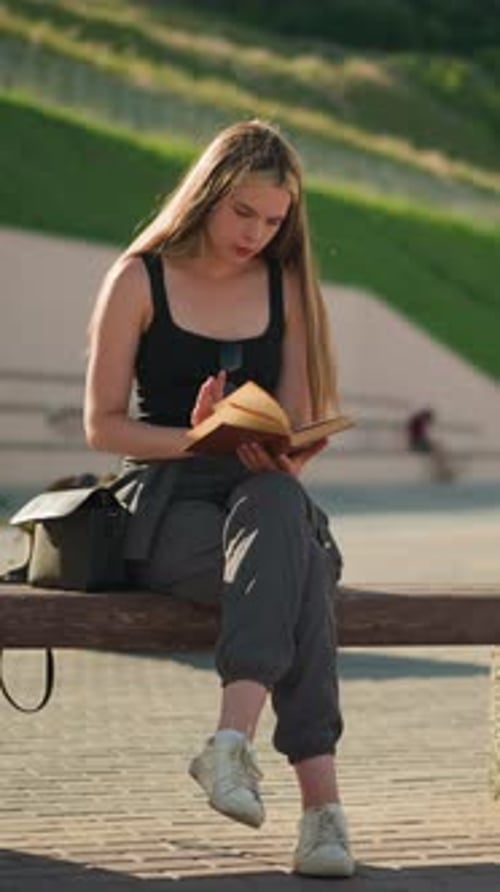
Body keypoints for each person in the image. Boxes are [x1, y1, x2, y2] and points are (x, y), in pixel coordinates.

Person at [84, 119, 355, 878]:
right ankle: (322, 815)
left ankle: (229, 744)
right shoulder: (141, 277)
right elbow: (101, 425)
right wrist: (197, 437)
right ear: (208, 193)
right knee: (297, 573)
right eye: (244, 213)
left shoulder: (286, 283)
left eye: (274, 221)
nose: (257, 234)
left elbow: (295, 420)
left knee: (276, 510)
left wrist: (290, 447)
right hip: (167, 504)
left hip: (264, 494)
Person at [406, 407, 455, 482]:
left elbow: (418, 435)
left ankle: (441, 471)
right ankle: (442, 472)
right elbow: (417, 436)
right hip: (417, 444)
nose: (429, 422)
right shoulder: (418, 422)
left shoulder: (418, 422)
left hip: (418, 443)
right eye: (429, 420)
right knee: (438, 452)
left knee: (437, 452)